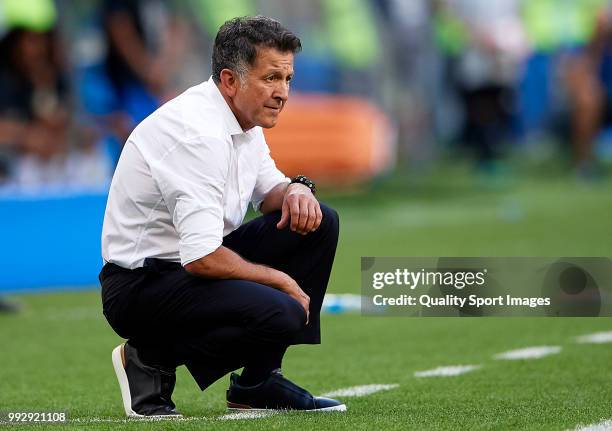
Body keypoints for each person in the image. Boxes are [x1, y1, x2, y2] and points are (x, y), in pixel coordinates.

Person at [99, 16, 345, 417]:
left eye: (287, 79)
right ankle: (148, 358)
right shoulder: (199, 135)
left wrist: (300, 187)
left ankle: (258, 383)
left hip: (186, 266)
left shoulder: (242, 117)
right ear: (230, 81)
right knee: (282, 310)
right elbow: (202, 257)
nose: (283, 93)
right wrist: (281, 280)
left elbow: (272, 194)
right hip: (141, 286)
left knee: (319, 222)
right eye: (271, 78)